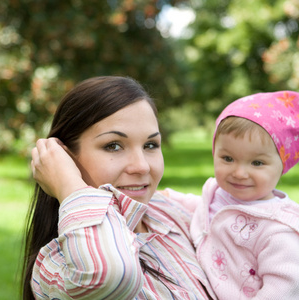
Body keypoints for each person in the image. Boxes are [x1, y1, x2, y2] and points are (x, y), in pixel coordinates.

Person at [22, 76, 217, 299]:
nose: (141, 166)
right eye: (113, 146)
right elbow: (111, 277)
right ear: (66, 158)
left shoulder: (171, 213)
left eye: (150, 145)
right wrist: (69, 187)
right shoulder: (60, 266)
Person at [185, 91, 299, 299]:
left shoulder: (278, 229)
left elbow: (289, 283)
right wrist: (164, 196)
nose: (239, 173)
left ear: (282, 166)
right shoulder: (217, 193)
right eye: (228, 158)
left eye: (257, 163)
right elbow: (197, 206)